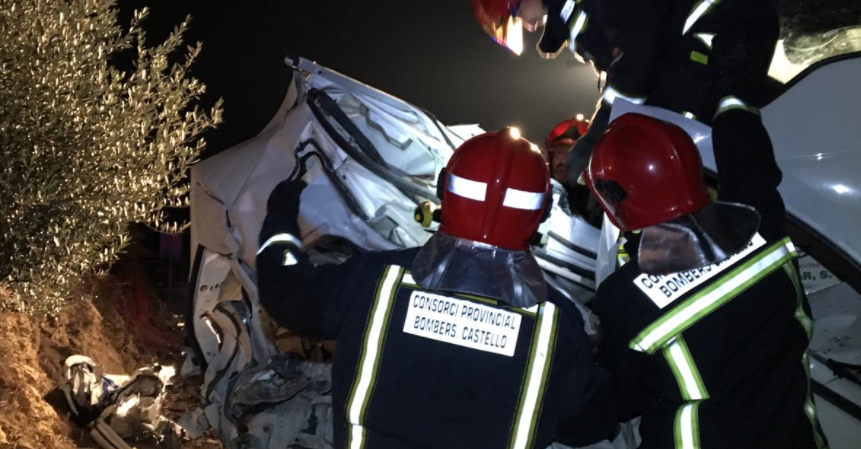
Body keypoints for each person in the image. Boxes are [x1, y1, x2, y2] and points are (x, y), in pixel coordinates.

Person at [257, 128, 613, 449]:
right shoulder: (556, 320)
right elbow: (585, 426)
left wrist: (279, 222)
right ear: (543, 210)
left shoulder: (374, 278)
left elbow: (286, 294)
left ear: (446, 190)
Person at [583, 108, 828, 448]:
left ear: (616, 198)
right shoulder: (761, 220)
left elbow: (622, 400)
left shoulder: (624, 297)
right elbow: (748, 159)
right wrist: (733, 103)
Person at [470, 0, 780, 187]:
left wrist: (596, 137)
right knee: (670, 120)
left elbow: (640, 51)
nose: (525, 25)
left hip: (728, 16)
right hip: (699, 33)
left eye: (514, 14)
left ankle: (747, 216)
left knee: (701, 120)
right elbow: (633, 65)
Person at [545, 116, 588, 184]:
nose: (564, 161)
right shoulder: (536, 182)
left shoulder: (596, 191)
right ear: (551, 155)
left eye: (573, 156)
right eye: (560, 153)